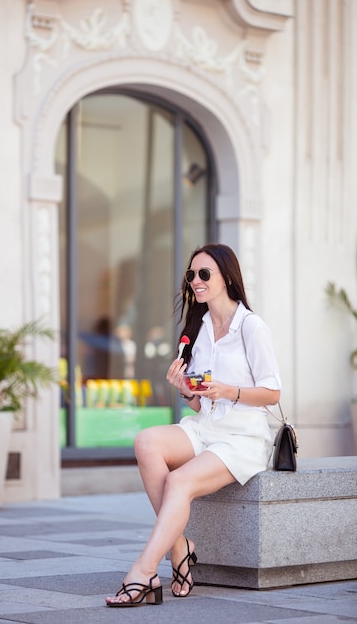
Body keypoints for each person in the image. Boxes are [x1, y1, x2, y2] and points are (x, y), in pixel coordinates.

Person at [105, 243, 281, 607]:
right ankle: (181, 545)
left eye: (204, 274)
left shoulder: (251, 326)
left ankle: (144, 571)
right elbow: (201, 400)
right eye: (191, 275)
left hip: (243, 436)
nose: (196, 282)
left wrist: (228, 390)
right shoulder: (197, 327)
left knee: (179, 480)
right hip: (206, 426)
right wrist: (186, 391)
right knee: (147, 442)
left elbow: (272, 392)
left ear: (227, 278)